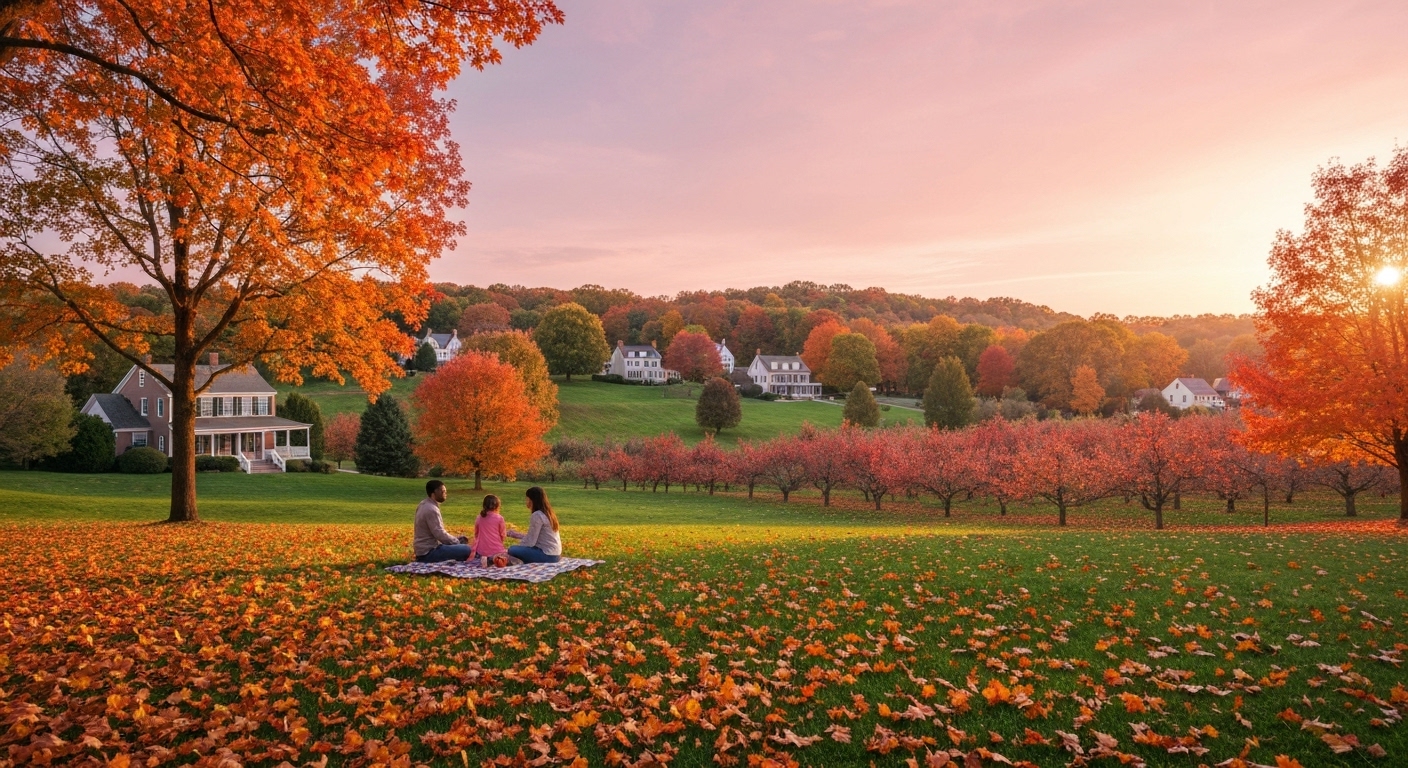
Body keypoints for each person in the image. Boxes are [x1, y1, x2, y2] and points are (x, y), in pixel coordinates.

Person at [414, 480, 471, 562]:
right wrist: (457, 542)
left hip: (424, 550)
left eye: (445, 491)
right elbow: (440, 534)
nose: (445, 494)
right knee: (467, 549)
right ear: (434, 493)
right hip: (428, 553)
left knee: (461, 541)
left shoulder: (423, 504)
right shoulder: (431, 509)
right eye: (443, 491)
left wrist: (455, 539)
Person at [508, 486, 562, 564]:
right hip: (556, 554)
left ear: (532, 500)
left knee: (512, 549)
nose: (526, 501)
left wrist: (519, 547)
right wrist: (515, 534)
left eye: (527, 499)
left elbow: (530, 542)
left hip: (548, 555)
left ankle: (522, 560)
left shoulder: (537, 515)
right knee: (517, 550)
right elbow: (533, 537)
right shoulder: (548, 513)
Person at [470, 494, 511, 567]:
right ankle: (491, 560)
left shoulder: (479, 518)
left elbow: (476, 534)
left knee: (482, 555)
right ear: (497, 506)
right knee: (510, 558)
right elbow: (503, 535)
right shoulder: (499, 518)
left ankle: (487, 559)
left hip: (481, 551)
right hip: (496, 550)